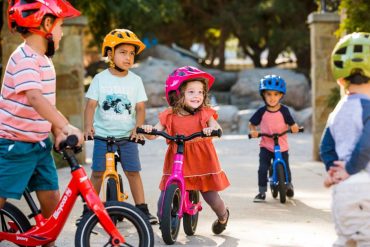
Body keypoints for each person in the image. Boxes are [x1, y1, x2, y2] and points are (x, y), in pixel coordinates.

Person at [0, 0, 83, 246]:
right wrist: (66, 125)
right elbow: (35, 98)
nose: (62, 31)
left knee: (50, 196)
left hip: (38, 144)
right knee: (2, 194)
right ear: (46, 24)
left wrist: (57, 130)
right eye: (59, 25)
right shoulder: (24, 58)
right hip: (15, 145)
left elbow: (46, 106)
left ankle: (48, 239)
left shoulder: (44, 61)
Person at [141, 66, 230, 234]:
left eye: (200, 92)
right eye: (191, 92)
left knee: (211, 196)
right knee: (163, 199)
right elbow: (154, 134)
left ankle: (223, 215)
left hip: (202, 161)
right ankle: (167, 223)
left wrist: (211, 130)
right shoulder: (169, 115)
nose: (197, 96)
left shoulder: (204, 113)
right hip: (177, 159)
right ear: (178, 93)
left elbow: (217, 128)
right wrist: (147, 131)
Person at [83, 28, 157, 224]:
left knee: (133, 172)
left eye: (132, 53)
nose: (128, 57)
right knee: (97, 173)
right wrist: (88, 126)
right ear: (110, 54)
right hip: (102, 136)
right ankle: (89, 210)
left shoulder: (136, 81)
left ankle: (142, 209)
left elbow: (140, 107)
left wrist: (138, 128)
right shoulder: (100, 79)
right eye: (123, 52)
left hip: (127, 136)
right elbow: (91, 105)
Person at [320, 32, 370, 247]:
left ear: (341, 79)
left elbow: (326, 147)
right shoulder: (367, 107)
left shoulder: (337, 111)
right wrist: (349, 168)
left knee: (347, 240)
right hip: (364, 187)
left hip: (342, 190)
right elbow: (366, 144)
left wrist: (335, 171)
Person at [249, 75, 299, 202]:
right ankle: (261, 192)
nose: (272, 98)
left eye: (276, 94)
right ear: (263, 95)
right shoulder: (262, 111)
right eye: (269, 94)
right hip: (266, 145)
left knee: (286, 166)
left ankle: (288, 185)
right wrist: (253, 131)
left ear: (281, 95)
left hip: (281, 145)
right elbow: (252, 123)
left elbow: (292, 124)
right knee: (262, 168)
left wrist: (294, 127)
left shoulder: (284, 111)